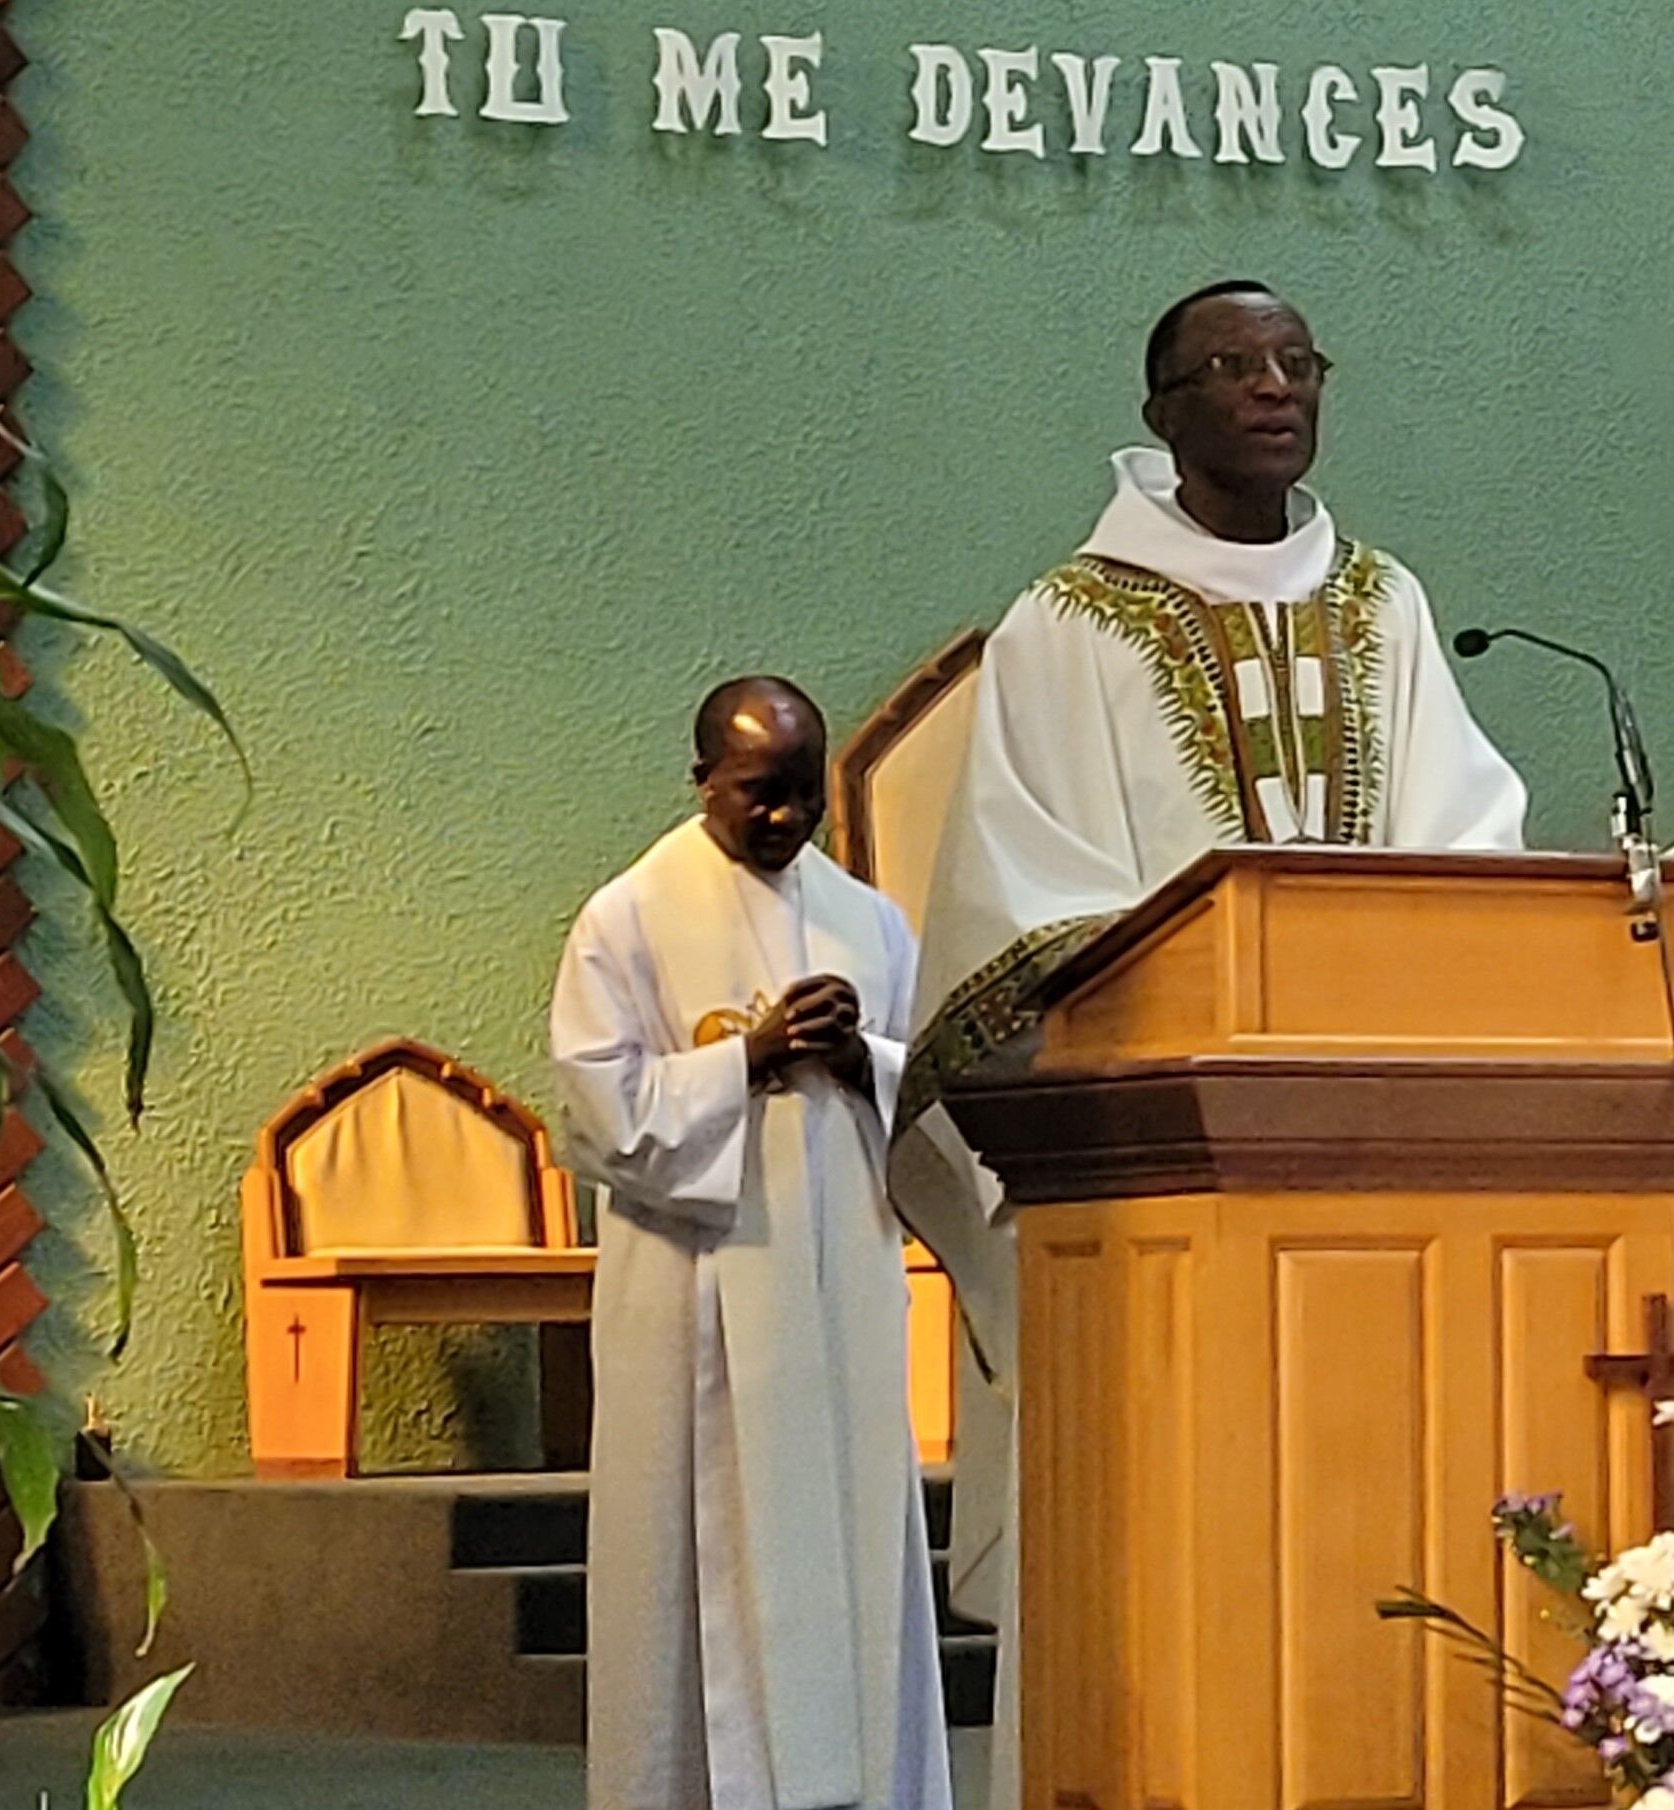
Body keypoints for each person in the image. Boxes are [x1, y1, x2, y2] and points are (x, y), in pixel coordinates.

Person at [890, 280, 1529, 1809]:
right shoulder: (1070, 623)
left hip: (1368, 1167)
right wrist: (1206, 987)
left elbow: (1466, 835)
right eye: (1231, 366)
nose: (1272, 386)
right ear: (1161, 407)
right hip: (1158, 1174)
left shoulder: (1387, 602)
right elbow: (1018, 900)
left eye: (1297, 361)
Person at [554, 677, 951, 1810]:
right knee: (696, 1567)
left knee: (854, 1547)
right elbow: (599, 1112)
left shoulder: (869, 921)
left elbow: (924, 1086)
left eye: (802, 794)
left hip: (839, 1299)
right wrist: (749, 1057)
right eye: (756, 795)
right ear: (701, 782)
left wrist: (859, 1060)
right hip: (694, 1298)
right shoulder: (626, 918)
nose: (783, 819)